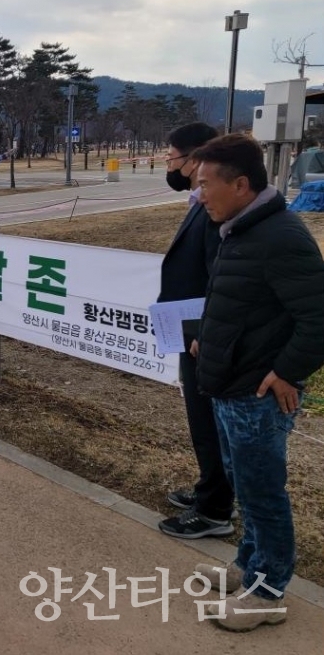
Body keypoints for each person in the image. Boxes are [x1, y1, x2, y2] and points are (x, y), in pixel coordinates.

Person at [190, 134, 324, 631]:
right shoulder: (240, 229)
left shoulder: (281, 236)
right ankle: (248, 568)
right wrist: (208, 338)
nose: (199, 194)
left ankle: (267, 593)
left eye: (206, 185)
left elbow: (317, 318)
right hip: (229, 386)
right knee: (245, 485)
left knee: (264, 493)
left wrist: (287, 371)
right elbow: (237, 300)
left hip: (258, 396)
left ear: (241, 185)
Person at [156, 122, 236, 540]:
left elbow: (218, 277)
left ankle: (215, 510)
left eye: (171, 157)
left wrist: (203, 331)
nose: (168, 164)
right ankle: (210, 487)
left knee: (207, 421)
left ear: (193, 157)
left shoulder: (214, 210)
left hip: (202, 333)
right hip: (191, 326)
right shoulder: (198, 201)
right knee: (202, 419)